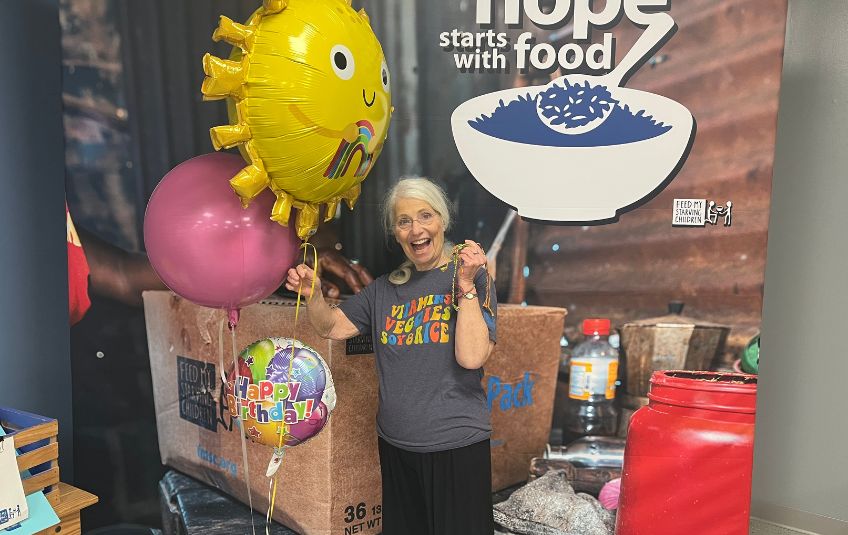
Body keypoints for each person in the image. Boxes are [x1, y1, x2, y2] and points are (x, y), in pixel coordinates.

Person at [285, 177, 498, 535]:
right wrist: (315, 294)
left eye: (425, 216)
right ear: (395, 232)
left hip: (457, 445)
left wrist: (464, 287)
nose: (416, 229)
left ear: (442, 221)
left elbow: (472, 357)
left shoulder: (471, 277)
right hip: (396, 444)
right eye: (404, 221)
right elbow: (331, 328)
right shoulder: (383, 289)